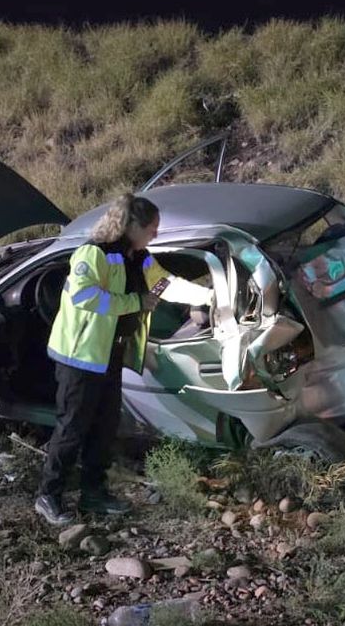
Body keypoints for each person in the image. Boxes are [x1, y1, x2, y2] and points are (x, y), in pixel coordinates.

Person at [34, 193, 214, 526]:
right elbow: (84, 296)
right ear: (130, 225)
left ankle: (94, 494)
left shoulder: (140, 258)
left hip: (110, 355)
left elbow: (165, 285)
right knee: (72, 428)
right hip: (79, 358)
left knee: (104, 428)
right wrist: (135, 302)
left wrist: (212, 295)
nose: (156, 235)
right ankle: (49, 495)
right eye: (152, 228)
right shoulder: (93, 254)